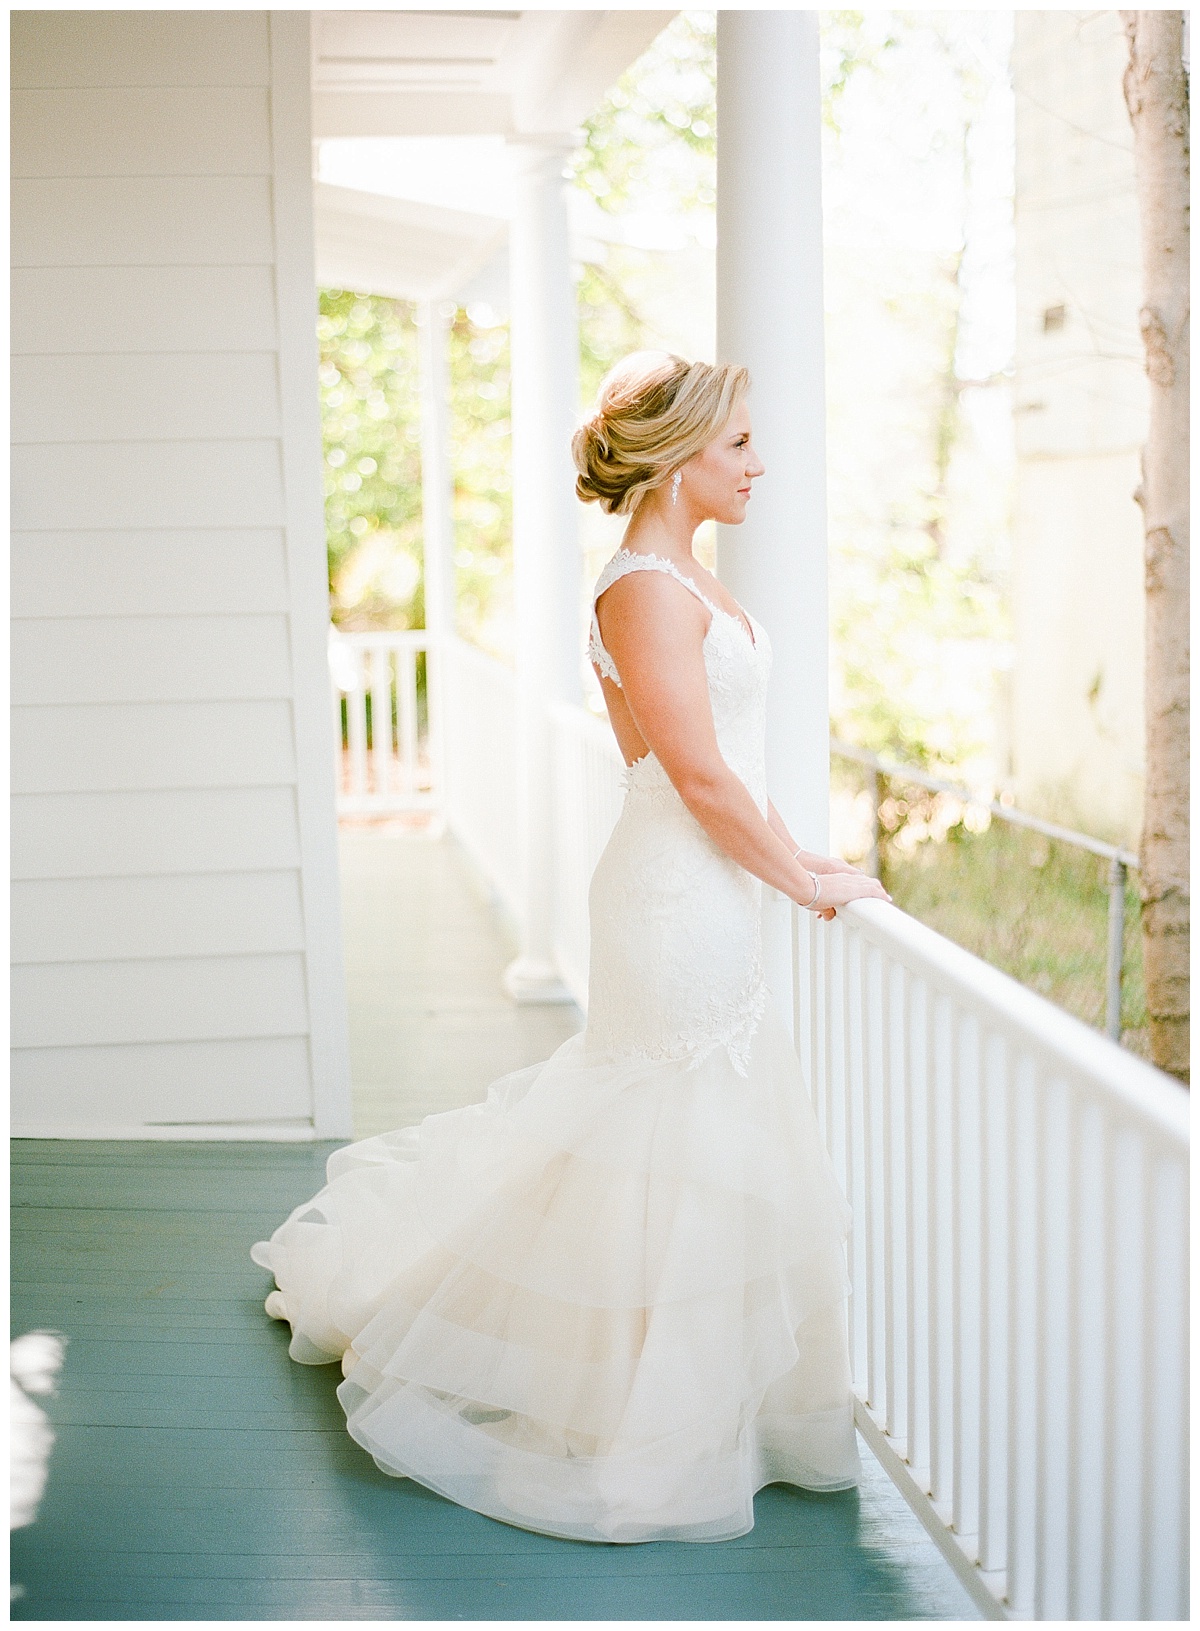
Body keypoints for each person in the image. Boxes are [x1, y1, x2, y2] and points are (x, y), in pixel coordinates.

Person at [251, 351, 891, 1545]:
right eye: (740, 443)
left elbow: (734, 764)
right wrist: (802, 878)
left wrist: (804, 857)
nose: (761, 464)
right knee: (669, 1131)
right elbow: (694, 774)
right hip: (672, 896)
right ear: (678, 454)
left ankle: (699, 1396)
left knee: (690, 1134)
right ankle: (645, 1410)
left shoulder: (685, 577)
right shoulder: (645, 586)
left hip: (709, 887)